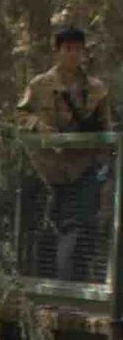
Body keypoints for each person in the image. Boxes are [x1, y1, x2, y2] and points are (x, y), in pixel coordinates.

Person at [18, 19, 116, 280]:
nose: (73, 54)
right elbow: (19, 117)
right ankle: (46, 286)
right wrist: (39, 125)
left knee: (81, 226)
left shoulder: (96, 89)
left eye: (78, 49)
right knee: (47, 228)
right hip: (47, 171)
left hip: (84, 169)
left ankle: (74, 287)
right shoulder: (39, 85)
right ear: (57, 50)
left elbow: (107, 130)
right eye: (68, 48)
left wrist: (105, 170)